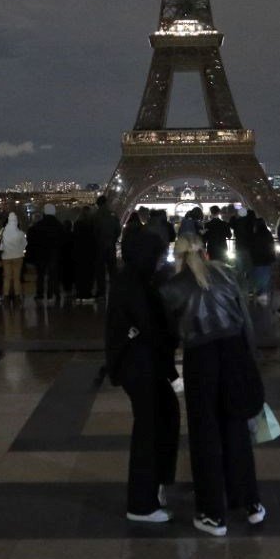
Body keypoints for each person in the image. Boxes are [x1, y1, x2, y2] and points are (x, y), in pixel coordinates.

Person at [157, 232, 264, 537]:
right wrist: (251, 363)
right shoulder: (226, 275)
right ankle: (251, 503)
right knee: (236, 429)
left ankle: (212, 514)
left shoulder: (172, 288)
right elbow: (246, 321)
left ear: (177, 256)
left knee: (205, 437)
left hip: (200, 358)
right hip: (234, 353)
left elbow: (171, 333)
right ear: (204, 252)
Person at [105, 210, 178, 523]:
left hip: (139, 364)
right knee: (149, 430)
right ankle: (141, 503)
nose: (162, 262)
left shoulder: (131, 279)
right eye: (159, 257)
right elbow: (152, 329)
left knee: (161, 418)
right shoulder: (137, 285)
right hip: (141, 367)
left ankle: (154, 487)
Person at [26, 205, 65, 304]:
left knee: (40, 275)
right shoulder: (59, 226)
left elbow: (31, 239)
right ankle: (53, 294)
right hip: (54, 254)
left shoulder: (38, 226)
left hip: (41, 254)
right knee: (53, 276)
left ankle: (40, 294)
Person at [0, 211, 27, 304]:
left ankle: (5, 297)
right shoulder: (20, 233)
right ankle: (17, 297)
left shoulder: (3, 231)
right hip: (18, 257)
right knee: (16, 278)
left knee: (7, 278)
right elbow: (25, 244)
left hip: (6, 257)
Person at [246, 216, 276, 301]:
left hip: (256, 260)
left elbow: (251, 247)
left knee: (256, 276)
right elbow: (271, 247)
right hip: (266, 260)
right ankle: (262, 294)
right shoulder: (268, 234)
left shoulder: (254, 235)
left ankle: (252, 292)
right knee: (265, 277)